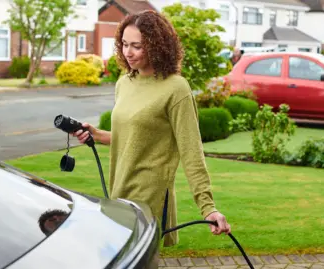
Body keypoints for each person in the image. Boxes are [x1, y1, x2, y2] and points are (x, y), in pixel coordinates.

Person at [71, 10, 231, 247]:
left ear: (157, 46)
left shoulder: (176, 89)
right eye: (124, 44)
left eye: (137, 46)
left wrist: (207, 208)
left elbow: (191, 152)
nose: (128, 52)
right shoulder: (125, 83)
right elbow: (136, 137)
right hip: (119, 189)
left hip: (150, 197)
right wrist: (98, 135)